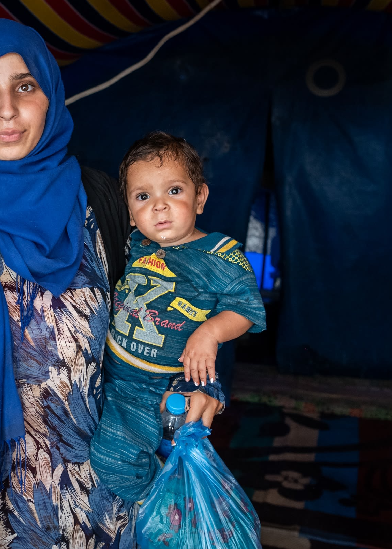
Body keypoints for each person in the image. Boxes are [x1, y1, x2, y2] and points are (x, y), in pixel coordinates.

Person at [0, 20, 225, 549]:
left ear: (50, 94)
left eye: (24, 86)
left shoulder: (102, 204)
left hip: (104, 514)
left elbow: (176, 307)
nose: (7, 110)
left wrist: (202, 384)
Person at [89, 131, 266, 505]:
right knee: (102, 448)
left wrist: (210, 332)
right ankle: (161, 484)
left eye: (174, 191)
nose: (159, 206)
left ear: (199, 197)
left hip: (170, 383)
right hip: (117, 378)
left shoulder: (219, 254)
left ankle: (170, 500)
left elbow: (247, 309)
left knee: (113, 462)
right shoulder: (134, 244)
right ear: (130, 213)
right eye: (143, 197)